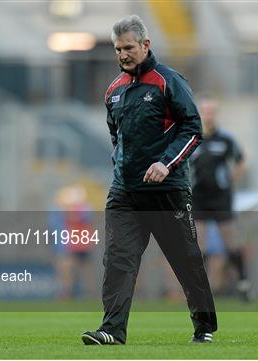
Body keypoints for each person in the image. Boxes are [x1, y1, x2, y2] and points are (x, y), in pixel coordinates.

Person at [81, 15, 217, 346]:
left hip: (167, 191)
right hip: (125, 193)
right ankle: (112, 330)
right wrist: (122, 169)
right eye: (117, 49)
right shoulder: (113, 91)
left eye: (128, 47)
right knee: (118, 259)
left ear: (145, 45)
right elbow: (117, 137)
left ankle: (204, 326)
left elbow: (192, 128)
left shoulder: (169, 81)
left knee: (185, 261)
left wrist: (166, 164)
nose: (122, 55)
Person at [190, 99, 250, 301]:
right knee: (199, 244)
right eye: (205, 111)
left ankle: (243, 282)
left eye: (212, 111)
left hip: (220, 198)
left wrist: (231, 179)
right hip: (198, 197)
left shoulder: (225, 139)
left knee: (230, 243)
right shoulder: (191, 137)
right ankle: (200, 288)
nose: (208, 115)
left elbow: (241, 162)